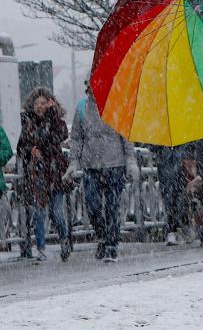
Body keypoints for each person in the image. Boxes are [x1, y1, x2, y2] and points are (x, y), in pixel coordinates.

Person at [69, 81, 139, 261]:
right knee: (91, 204)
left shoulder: (116, 104)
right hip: (91, 165)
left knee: (112, 205)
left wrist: (131, 161)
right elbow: (76, 137)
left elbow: (126, 134)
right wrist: (74, 161)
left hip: (115, 163)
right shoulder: (82, 108)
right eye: (91, 84)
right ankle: (101, 235)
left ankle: (111, 243)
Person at [16, 88, 72, 261]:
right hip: (37, 174)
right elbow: (20, 148)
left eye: (42, 103)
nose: (39, 107)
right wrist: (29, 150)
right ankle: (41, 249)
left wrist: (54, 113)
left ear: (49, 104)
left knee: (56, 212)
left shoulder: (56, 122)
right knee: (39, 213)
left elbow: (61, 135)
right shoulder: (28, 124)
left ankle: (64, 239)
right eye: (36, 104)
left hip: (54, 173)